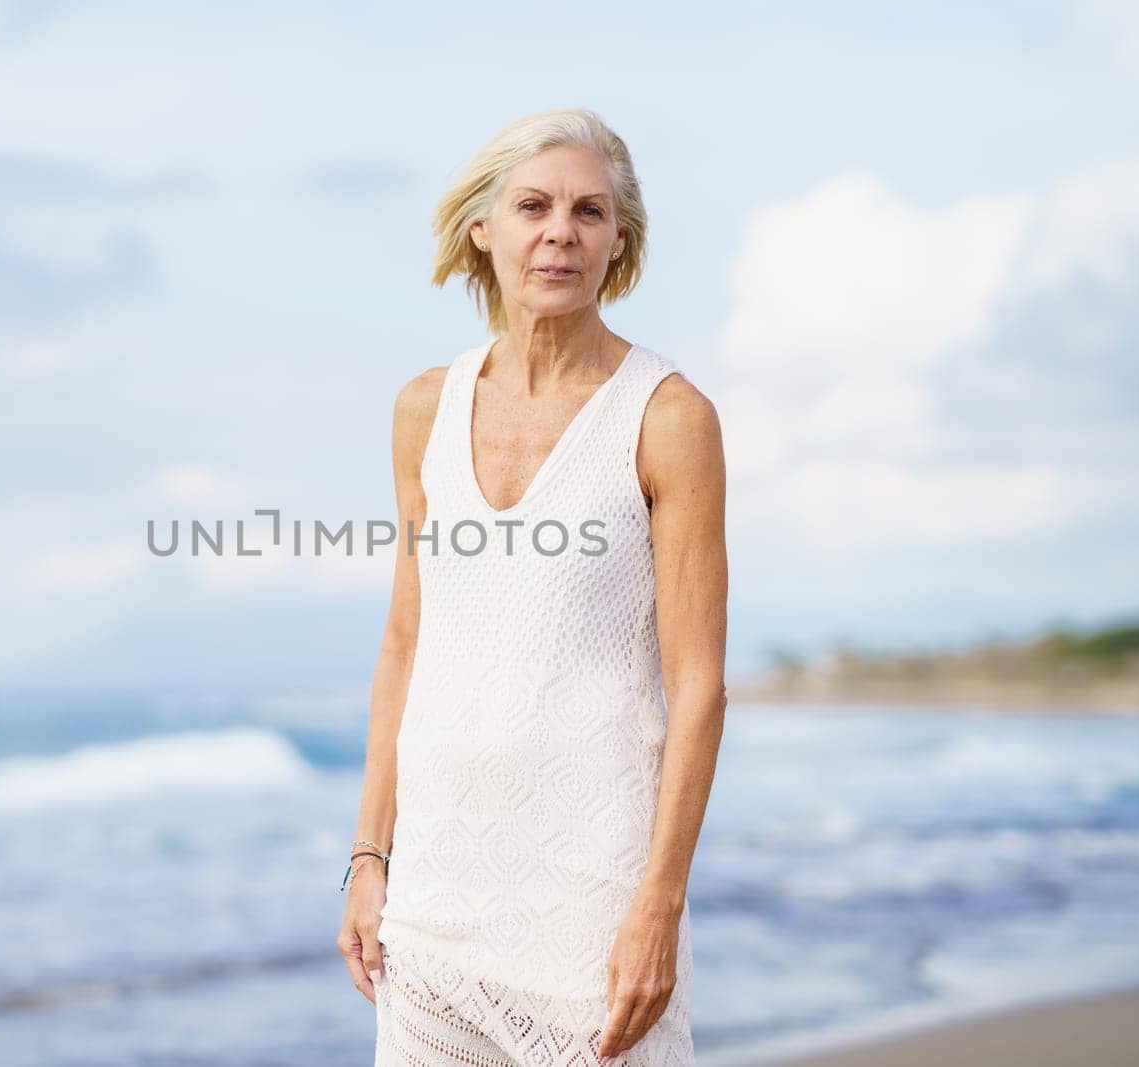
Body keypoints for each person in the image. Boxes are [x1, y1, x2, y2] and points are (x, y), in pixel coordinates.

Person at [336, 107, 728, 1065]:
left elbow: (701, 685)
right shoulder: (423, 407)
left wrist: (660, 903)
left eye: (590, 212)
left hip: (591, 893)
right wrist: (368, 857)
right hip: (437, 895)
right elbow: (405, 643)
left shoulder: (668, 417)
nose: (561, 231)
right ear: (485, 227)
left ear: (618, 242)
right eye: (534, 205)